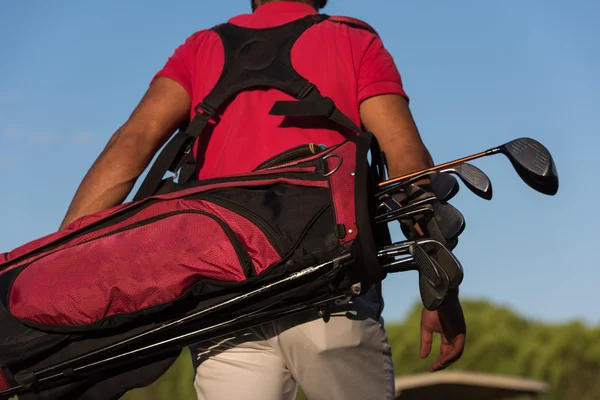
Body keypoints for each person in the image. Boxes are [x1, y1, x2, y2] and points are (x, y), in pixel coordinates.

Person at [58, 0, 467, 399]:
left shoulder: (201, 49)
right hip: (332, 285)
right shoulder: (351, 39)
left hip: (225, 300)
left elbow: (130, 144)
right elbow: (408, 160)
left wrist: (60, 267)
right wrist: (440, 287)